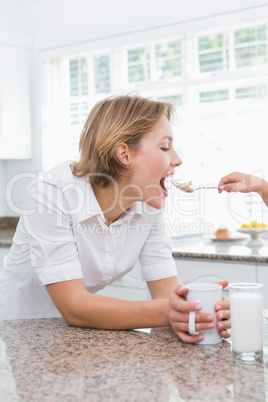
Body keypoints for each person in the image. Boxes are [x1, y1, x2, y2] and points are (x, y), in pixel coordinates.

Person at [0, 95, 230, 343]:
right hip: (19, 334)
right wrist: (169, 312)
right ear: (124, 154)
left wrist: (196, 309)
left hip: (80, 336)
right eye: (165, 147)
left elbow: (166, 292)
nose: (177, 159)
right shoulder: (52, 191)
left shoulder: (147, 205)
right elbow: (74, 306)